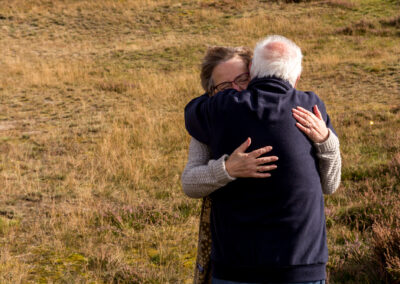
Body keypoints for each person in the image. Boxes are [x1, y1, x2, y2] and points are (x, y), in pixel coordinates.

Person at [184, 35, 340, 283]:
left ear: (255, 75)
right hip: (239, 264)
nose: (234, 91)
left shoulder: (308, 116)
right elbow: (189, 183)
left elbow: (330, 185)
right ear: (211, 93)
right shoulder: (213, 120)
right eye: (224, 88)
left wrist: (327, 140)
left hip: (295, 265)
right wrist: (226, 169)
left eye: (242, 80)